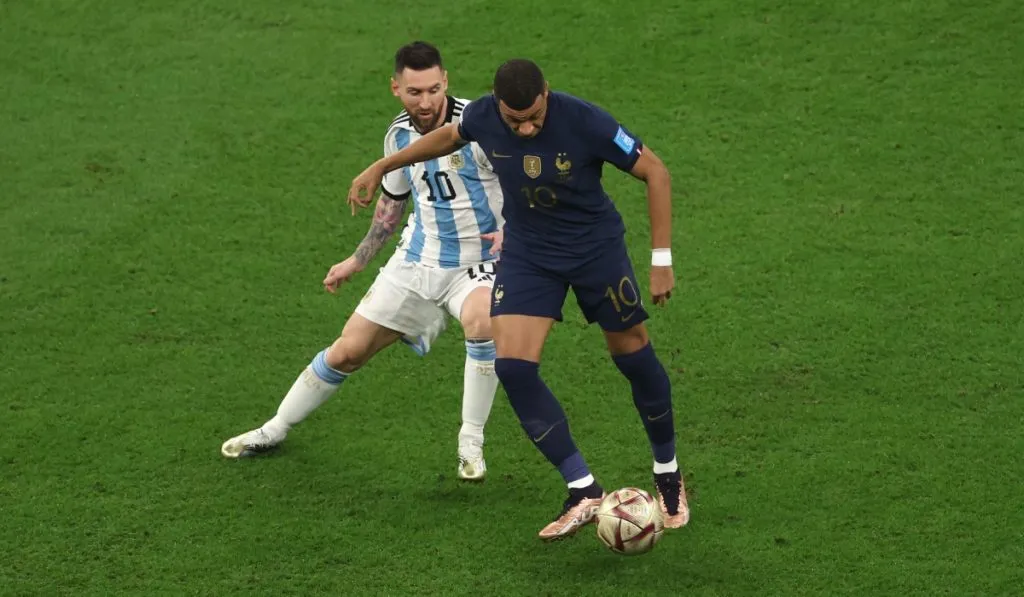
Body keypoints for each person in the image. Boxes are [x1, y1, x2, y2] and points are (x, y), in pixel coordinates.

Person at [347, 58, 690, 540]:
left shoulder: (585, 119)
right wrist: (384, 164)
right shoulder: (485, 115)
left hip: (595, 250)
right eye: (515, 121)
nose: (525, 128)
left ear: (546, 94)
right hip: (531, 254)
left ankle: (668, 473)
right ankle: (583, 489)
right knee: (513, 367)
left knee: (632, 356)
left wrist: (661, 258)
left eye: (533, 117)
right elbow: (449, 137)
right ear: (498, 107)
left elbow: (655, 171)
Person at [221, 42, 506, 482]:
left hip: (480, 262)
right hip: (418, 259)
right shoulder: (397, 135)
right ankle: (274, 429)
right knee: (347, 352)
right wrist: (357, 259)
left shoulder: (481, 125)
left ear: (446, 81)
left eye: (433, 89)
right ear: (396, 88)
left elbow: (528, 185)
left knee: (483, 323)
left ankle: (471, 443)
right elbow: (393, 204)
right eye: (414, 92)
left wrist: (514, 234)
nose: (426, 101)